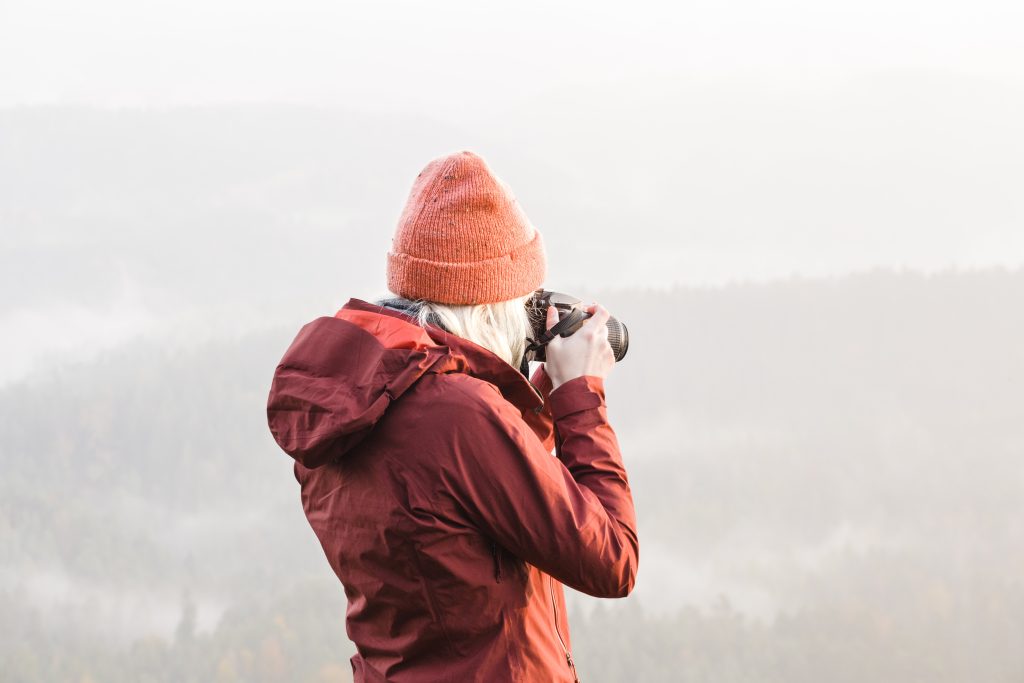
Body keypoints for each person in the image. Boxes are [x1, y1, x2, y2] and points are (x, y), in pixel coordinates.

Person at [266, 150, 638, 682]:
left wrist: (539, 395)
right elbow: (614, 560)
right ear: (487, 307)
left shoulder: (359, 400)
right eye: (520, 301)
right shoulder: (458, 416)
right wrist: (581, 397)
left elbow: (465, 505)